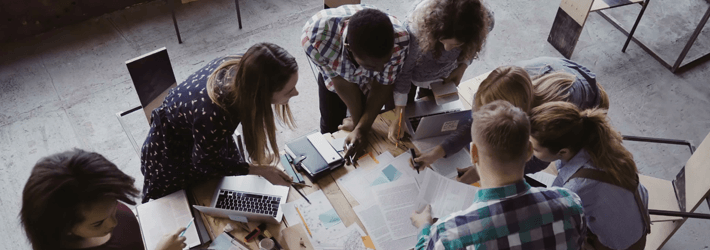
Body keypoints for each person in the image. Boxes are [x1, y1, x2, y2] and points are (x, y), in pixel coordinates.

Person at [410, 100, 586, 250]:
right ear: (529, 151)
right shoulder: (571, 203)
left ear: (474, 154)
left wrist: (424, 227)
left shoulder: (448, 235)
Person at [141, 43, 296, 202]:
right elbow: (204, 162)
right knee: (189, 204)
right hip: (171, 153)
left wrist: (259, 164)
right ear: (262, 93)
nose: (296, 93)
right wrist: (262, 171)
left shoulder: (250, 70)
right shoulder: (217, 113)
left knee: (224, 189)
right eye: (290, 90)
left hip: (203, 137)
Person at [414, 57, 610, 181]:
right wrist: (440, 150)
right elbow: (476, 121)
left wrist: (483, 170)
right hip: (566, 72)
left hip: (587, 100)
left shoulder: (545, 123)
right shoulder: (509, 84)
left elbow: (539, 158)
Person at [530, 101, 650, 250]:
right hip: (637, 223)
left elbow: (552, 222)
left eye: (534, 148)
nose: (529, 150)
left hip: (623, 245)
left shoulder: (577, 187)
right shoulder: (597, 144)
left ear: (563, 152)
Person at [301, 4, 410, 162]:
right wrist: (360, 125)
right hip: (337, 76)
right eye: (372, 66)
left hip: (364, 76)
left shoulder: (400, 39)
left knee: (372, 119)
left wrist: (361, 128)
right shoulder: (315, 40)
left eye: (385, 62)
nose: (380, 69)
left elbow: (383, 83)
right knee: (331, 122)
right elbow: (341, 82)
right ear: (349, 48)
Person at [20, 149, 186, 250]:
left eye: (114, 206)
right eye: (97, 224)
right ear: (62, 228)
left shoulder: (97, 200)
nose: (113, 223)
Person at [388, 0, 492, 141]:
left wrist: (462, 66)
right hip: (412, 74)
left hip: (443, 76)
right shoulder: (416, 28)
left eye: (456, 44)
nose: (448, 49)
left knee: (430, 116)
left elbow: (475, 44)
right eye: (443, 41)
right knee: (406, 113)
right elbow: (404, 72)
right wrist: (399, 115)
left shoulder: (485, 20)